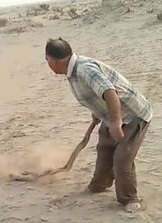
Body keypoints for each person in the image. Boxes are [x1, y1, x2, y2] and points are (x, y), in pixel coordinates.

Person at [45, 38, 153, 213]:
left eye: (47, 61)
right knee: (104, 149)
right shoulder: (73, 72)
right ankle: (99, 185)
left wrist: (116, 122)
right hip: (111, 115)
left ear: (52, 61)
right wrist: (97, 113)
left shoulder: (84, 69)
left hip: (133, 115)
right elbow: (96, 94)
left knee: (122, 158)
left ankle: (129, 199)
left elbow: (110, 93)